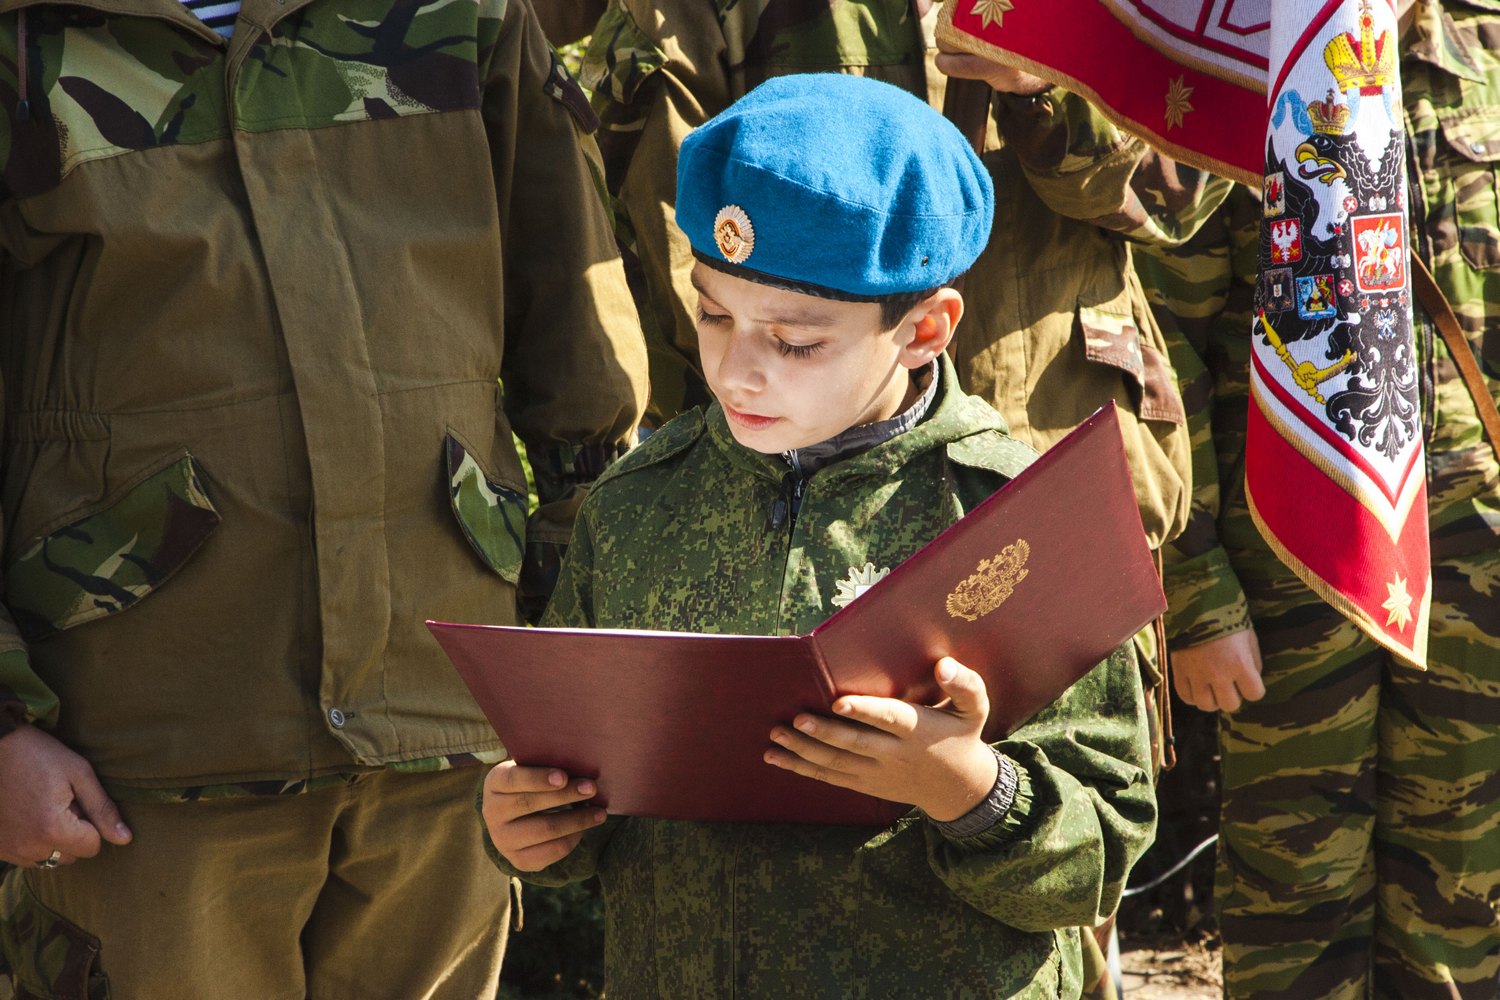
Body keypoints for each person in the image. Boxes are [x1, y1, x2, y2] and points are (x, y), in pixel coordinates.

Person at [0, 0, 649, 994]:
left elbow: (576, 340)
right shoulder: (26, 40)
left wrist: (576, 656)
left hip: (442, 712)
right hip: (139, 751)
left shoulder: (462, 13)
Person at [480, 73, 1157, 998]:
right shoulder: (636, 505)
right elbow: (575, 797)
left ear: (925, 329)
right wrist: (529, 826)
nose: (736, 372)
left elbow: (1103, 852)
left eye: (796, 342)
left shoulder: (1016, 522)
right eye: (712, 313)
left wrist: (969, 788)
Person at [1147, 3, 1500, 994]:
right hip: (1291, 543)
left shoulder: (1484, 48)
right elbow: (1163, 346)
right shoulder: (1246, 49)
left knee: (1466, 888)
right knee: (1294, 888)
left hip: (1474, 544)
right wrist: (1196, 592)